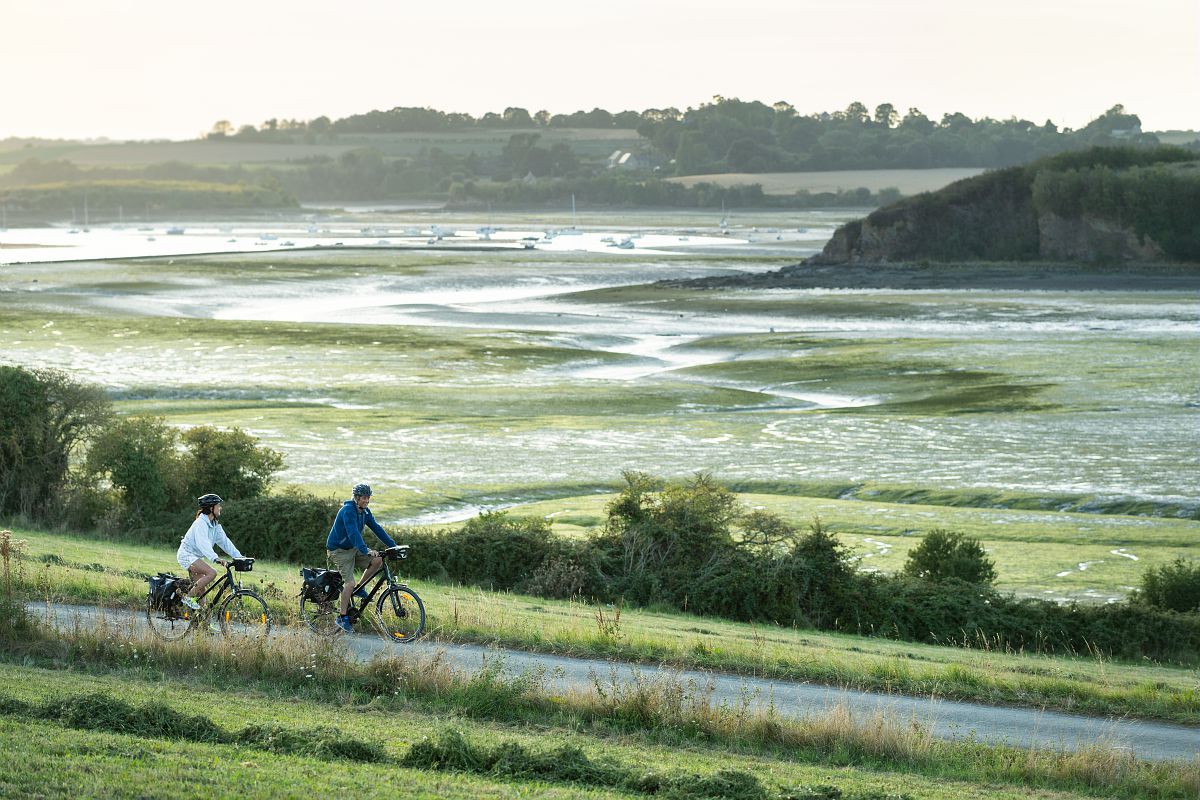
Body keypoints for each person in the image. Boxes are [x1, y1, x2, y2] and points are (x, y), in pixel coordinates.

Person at [326, 483, 397, 633]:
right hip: (338, 550)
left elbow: (377, 528)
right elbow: (353, 533)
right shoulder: (348, 511)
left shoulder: (365, 512)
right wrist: (366, 550)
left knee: (378, 560)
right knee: (349, 583)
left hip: (353, 548)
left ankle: (360, 589)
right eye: (364, 498)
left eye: (368, 498)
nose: (367, 500)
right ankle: (342, 617)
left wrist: (393, 545)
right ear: (357, 498)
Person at [177, 493, 246, 612]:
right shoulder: (200, 524)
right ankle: (187, 598)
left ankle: (203, 624)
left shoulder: (215, 526)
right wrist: (216, 558)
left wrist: (239, 557)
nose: (220, 508)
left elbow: (225, 543)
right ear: (211, 508)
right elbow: (202, 544)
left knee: (202, 592)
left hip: (195, 557)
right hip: (186, 555)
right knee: (212, 573)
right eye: (218, 505)